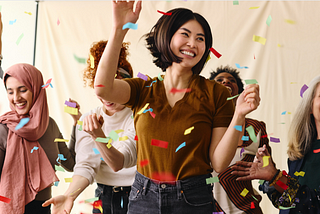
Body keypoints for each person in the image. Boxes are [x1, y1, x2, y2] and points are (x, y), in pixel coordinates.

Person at [93, 1, 260, 213]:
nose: (193, 43)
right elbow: (102, 89)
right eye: (186, 34)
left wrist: (239, 114)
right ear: (167, 36)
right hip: (143, 197)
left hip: (193, 198)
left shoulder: (217, 94)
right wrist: (119, 29)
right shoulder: (143, 89)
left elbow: (218, 163)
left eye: (201, 39)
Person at [43, 40, 137, 214]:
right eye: (100, 87)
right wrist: (69, 196)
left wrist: (98, 135)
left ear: (127, 84)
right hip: (103, 196)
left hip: (138, 195)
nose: (106, 96)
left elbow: (120, 161)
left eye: (113, 86)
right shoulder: (88, 119)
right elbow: (86, 166)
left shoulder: (140, 116)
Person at [232, 75, 320, 213]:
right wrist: (270, 179)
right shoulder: (301, 152)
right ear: (310, 106)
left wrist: (276, 177)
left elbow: (314, 203)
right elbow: (288, 202)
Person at [0, 63, 76, 214]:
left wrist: (76, 123)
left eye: (23, 90)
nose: (16, 98)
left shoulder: (49, 125)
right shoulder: (3, 128)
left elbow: (70, 164)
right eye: (10, 92)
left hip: (43, 209)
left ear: (35, 89)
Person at [209, 65, 271, 213]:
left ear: (241, 93)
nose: (226, 81)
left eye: (232, 80)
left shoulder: (256, 128)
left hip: (248, 210)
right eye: (219, 80)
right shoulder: (200, 126)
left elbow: (268, 167)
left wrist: (267, 171)